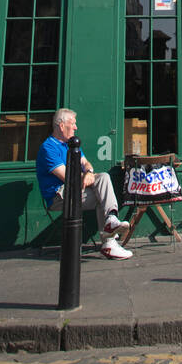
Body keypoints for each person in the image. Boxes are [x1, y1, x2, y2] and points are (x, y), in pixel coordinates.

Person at [36, 109, 133, 260]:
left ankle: (111, 221)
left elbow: (86, 163)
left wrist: (89, 172)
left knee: (103, 180)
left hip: (77, 191)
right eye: (73, 124)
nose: (76, 127)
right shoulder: (48, 148)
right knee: (103, 192)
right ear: (61, 126)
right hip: (59, 195)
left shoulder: (72, 144)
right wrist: (86, 177)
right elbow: (66, 176)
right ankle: (109, 242)